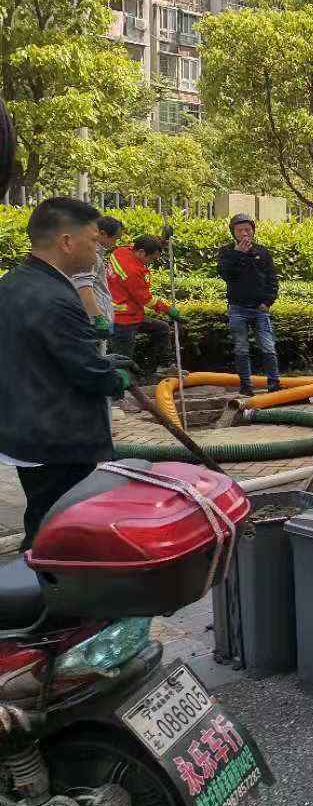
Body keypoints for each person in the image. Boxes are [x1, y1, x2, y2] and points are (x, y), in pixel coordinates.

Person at [0, 198, 130, 549]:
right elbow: (86, 369)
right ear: (66, 242)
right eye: (93, 241)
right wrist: (114, 379)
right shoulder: (56, 297)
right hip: (60, 439)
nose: (98, 250)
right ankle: (52, 597)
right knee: (62, 530)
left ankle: (41, 587)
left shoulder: (12, 282)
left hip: (25, 431)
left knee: (43, 516)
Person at [217, 213, 281, 396]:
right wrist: (239, 255)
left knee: (268, 347)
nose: (244, 233)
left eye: (248, 229)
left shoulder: (262, 252)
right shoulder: (227, 252)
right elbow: (225, 274)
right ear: (233, 233)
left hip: (260, 309)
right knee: (241, 348)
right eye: (240, 230)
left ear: (253, 230)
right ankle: (246, 385)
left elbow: (272, 279)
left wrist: (268, 302)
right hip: (237, 308)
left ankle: (274, 384)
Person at [109, 235, 181, 379]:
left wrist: (162, 239)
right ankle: (121, 391)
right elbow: (146, 299)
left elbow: (144, 242)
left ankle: (159, 368)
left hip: (132, 314)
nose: (151, 263)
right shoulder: (132, 271)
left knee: (162, 329)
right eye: (152, 259)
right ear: (141, 252)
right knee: (123, 360)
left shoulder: (120, 252)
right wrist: (168, 309)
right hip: (123, 319)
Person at [71, 215, 124, 348]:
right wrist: (98, 318)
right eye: (115, 238)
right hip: (91, 325)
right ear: (102, 234)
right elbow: (83, 287)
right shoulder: (90, 256)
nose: (115, 243)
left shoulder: (95, 255)